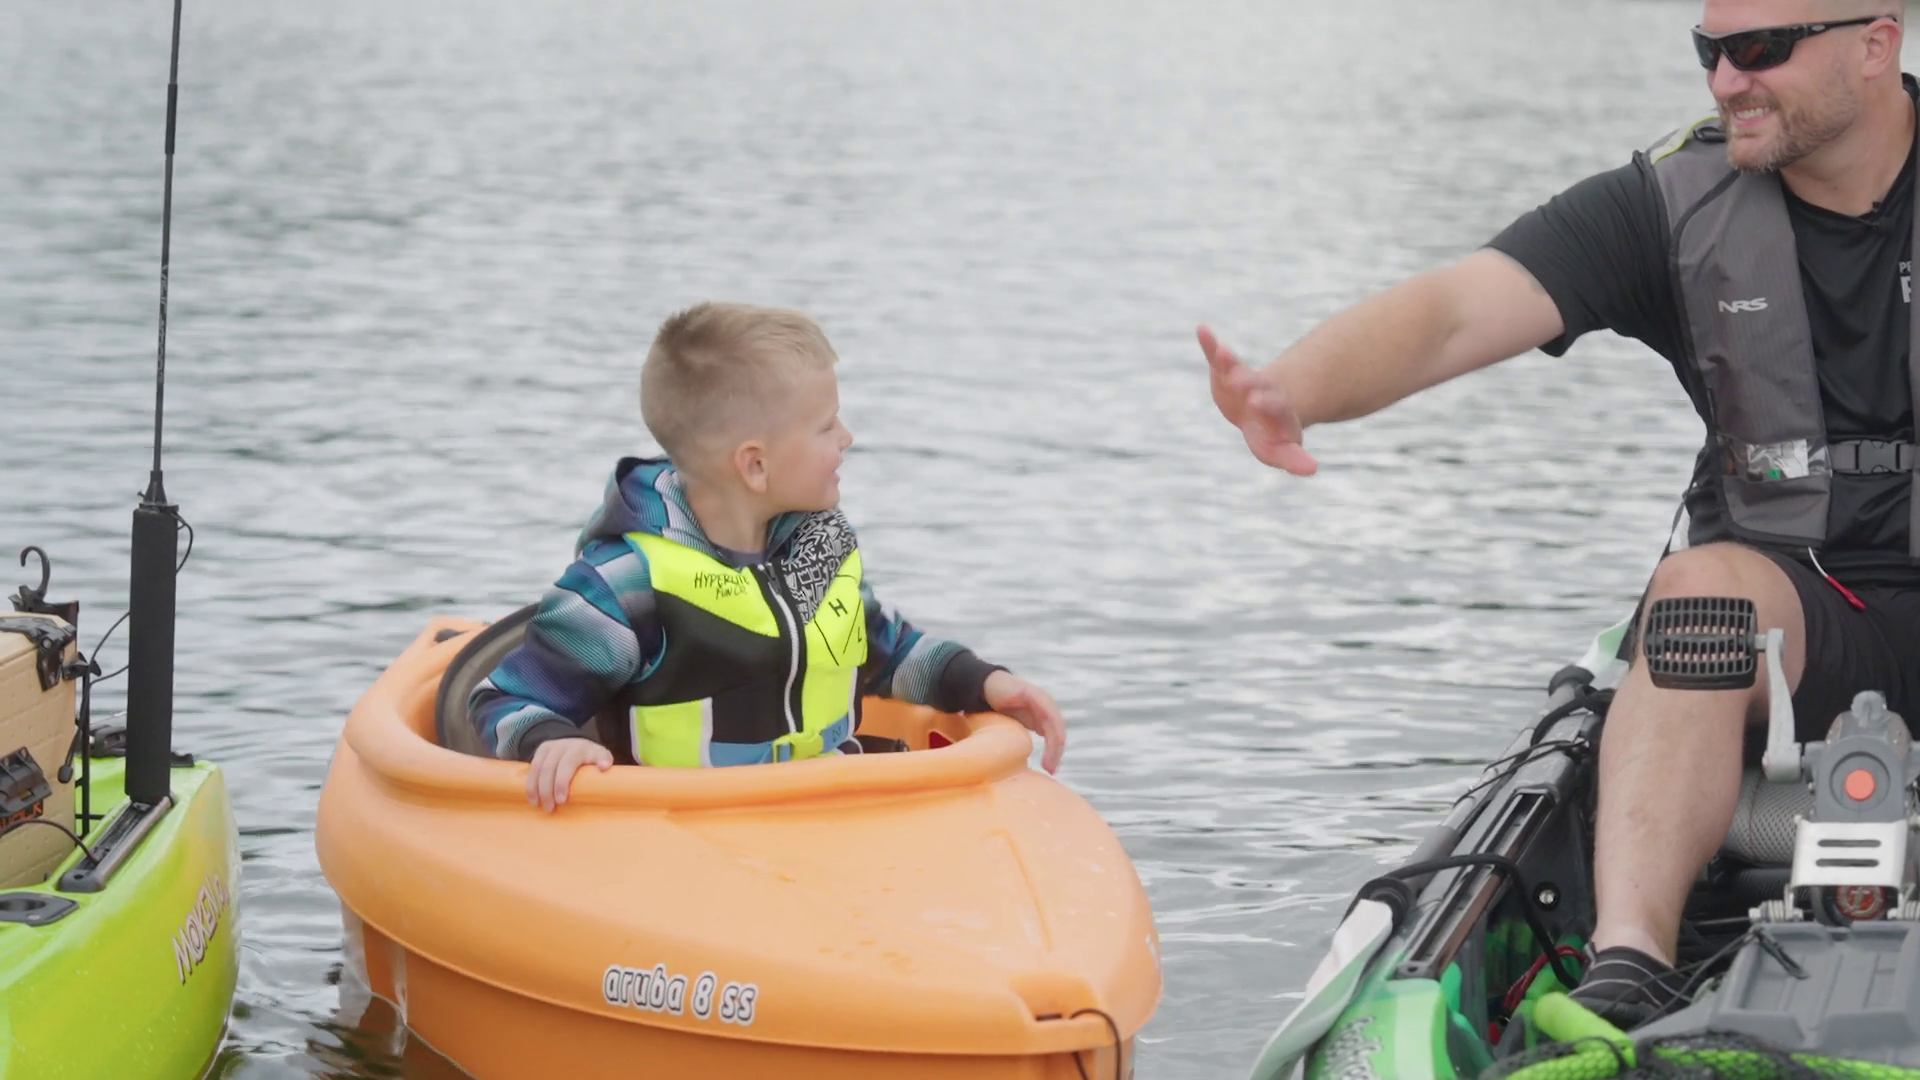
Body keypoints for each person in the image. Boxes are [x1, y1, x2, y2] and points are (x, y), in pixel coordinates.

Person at [1204, 0, 1915, 1027]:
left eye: (1760, 51)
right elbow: (1455, 311)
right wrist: (1293, 391)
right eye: (1711, 52)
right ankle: (1630, 968)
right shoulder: (1672, 202)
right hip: (1798, 623)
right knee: (1695, 590)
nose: (1726, 82)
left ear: (1876, 45)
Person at [472, 302, 1066, 812]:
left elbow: (886, 651)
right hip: (679, 833)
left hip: (828, 814)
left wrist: (984, 682)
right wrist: (550, 740)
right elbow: (504, 697)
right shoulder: (627, 582)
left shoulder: (817, 550)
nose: (847, 438)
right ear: (755, 465)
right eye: (826, 426)